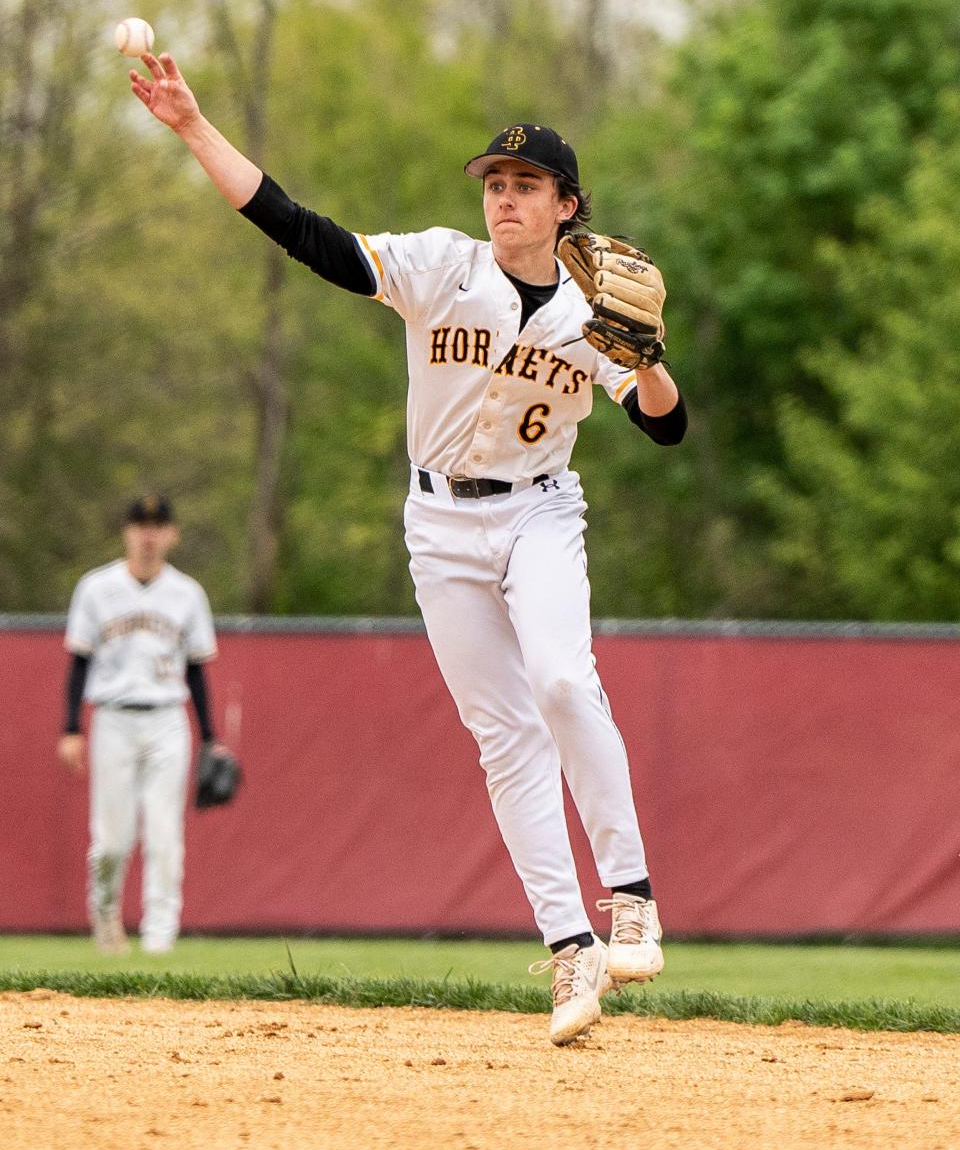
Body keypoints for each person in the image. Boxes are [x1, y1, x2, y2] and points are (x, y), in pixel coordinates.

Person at [129, 51, 687, 1043]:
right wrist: (190, 127)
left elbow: (665, 425)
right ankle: (569, 953)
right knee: (505, 736)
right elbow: (304, 233)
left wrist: (649, 363)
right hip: (440, 525)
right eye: (496, 184)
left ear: (567, 205)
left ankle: (632, 895)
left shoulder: (592, 307)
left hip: (540, 513)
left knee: (562, 679)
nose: (504, 199)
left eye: (526, 187)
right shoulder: (441, 266)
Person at [57, 494, 225, 954]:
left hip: (168, 720)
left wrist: (211, 737)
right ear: (127, 533)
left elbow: (196, 669)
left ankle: (159, 938)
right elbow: (79, 662)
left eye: (158, 525)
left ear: (172, 534)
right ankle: (106, 912)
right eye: (140, 525)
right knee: (112, 838)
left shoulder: (187, 593)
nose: (148, 534)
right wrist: (71, 728)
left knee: (164, 833)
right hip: (112, 718)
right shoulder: (97, 587)